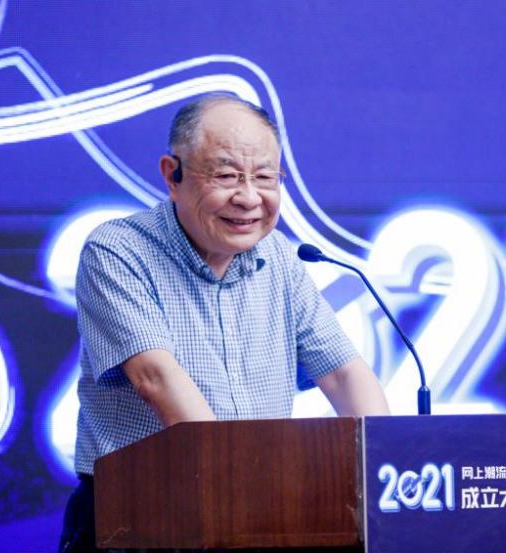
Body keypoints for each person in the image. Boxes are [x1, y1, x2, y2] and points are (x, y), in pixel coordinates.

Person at [58, 94, 390, 552]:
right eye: (227, 175)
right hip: (139, 514)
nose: (249, 197)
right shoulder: (118, 250)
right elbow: (155, 378)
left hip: (259, 509)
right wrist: (234, 487)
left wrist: (387, 472)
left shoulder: (280, 259)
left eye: (265, 177)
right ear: (172, 175)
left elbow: (342, 374)